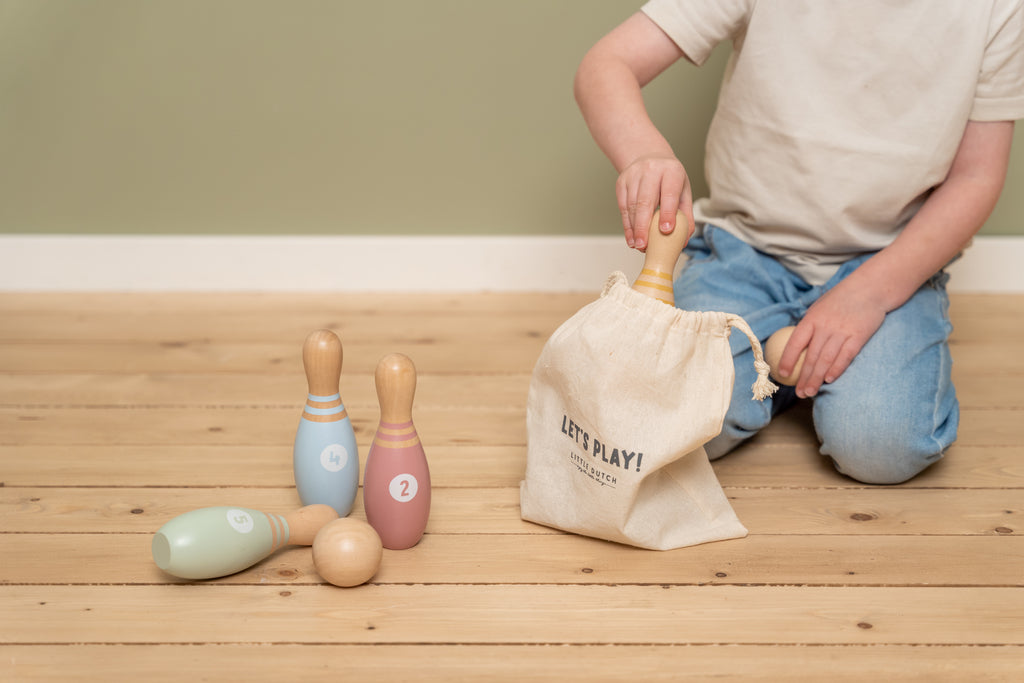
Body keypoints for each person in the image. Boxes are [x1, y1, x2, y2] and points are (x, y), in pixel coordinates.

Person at [574, 1, 1024, 484]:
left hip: (889, 263)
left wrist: (870, 293)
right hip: (743, 252)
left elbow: (976, 177)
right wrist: (643, 153)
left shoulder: (998, 9)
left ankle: (784, 366)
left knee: (881, 448)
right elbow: (606, 65)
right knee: (667, 425)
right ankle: (792, 368)